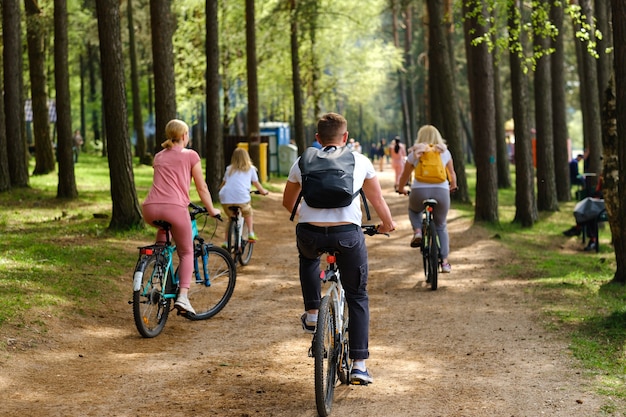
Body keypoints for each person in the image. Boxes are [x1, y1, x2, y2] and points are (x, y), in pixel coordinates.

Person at [282, 112, 396, 385]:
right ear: (345, 137)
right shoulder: (360, 160)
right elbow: (376, 199)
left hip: (310, 233)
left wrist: (311, 221)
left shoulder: (302, 161)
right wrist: (387, 225)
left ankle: (312, 313)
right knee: (357, 295)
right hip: (348, 234)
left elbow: (289, 204)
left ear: (317, 138)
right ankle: (359, 365)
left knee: (309, 258)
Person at [142, 119, 221, 315]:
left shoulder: (159, 156)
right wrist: (212, 210)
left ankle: (157, 278)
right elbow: (201, 187)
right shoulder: (190, 155)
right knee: (186, 252)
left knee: (162, 246)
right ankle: (183, 298)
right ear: (184, 136)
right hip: (175, 209)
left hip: (150, 208)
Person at [397, 125, 457, 273]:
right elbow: (452, 173)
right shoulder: (444, 152)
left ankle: (418, 231)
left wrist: (401, 188)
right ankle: (444, 262)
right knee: (441, 225)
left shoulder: (415, 153)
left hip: (419, 191)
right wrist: (453, 186)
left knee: (414, 210)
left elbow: (405, 175)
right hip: (441, 190)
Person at [219, 147, 269, 246]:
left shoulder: (229, 169)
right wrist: (263, 192)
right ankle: (250, 233)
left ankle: (225, 242)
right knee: (247, 212)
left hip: (225, 197)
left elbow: (223, 184)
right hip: (241, 196)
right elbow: (256, 184)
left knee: (231, 218)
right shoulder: (250, 169)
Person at [563, 176, 604, 251]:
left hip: (603, 208)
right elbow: (597, 192)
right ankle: (591, 238)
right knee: (589, 213)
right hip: (598, 206)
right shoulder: (604, 178)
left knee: (590, 215)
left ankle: (579, 228)